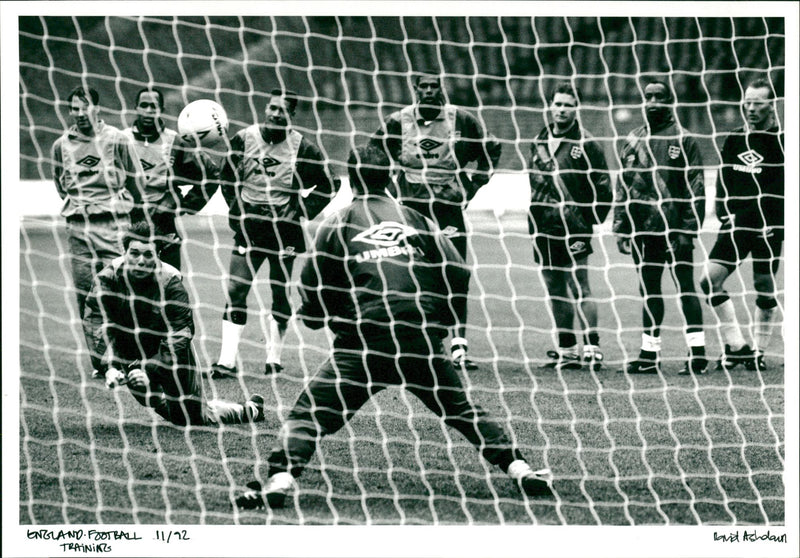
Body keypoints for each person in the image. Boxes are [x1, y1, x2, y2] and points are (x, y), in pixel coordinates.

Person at [233, 145, 553, 511]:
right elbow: (458, 271)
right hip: (419, 340)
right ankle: (520, 468)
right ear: (392, 176)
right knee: (462, 410)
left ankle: (281, 477)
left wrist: (323, 317)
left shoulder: (336, 223)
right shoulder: (416, 218)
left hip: (366, 344)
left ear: (349, 180)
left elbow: (313, 293)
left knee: (309, 412)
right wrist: (440, 319)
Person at [369, 71, 502, 371]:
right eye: (424, 86)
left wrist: (471, 184)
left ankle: (459, 348)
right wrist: (389, 190)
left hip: (448, 210)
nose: (429, 91)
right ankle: (418, 345)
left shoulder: (461, 120)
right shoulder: (397, 121)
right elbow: (371, 154)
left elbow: (491, 149)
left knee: (455, 274)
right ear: (415, 89)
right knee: (411, 276)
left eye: (434, 86)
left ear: (441, 89)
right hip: (411, 212)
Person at [210, 88, 339, 379]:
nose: (275, 114)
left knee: (280, 293)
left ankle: (274, 357)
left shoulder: (302, 148)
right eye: (272, 107)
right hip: (250, 229)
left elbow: (331, 183)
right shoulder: (243, 140)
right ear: (265, 108)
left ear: (291, 115)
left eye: (282, 110)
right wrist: (237, 210)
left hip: (284, 233)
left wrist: (301, 211)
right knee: (236, 290)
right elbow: (226, 178)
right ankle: (226, 362)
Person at [83, 221, 265, 427]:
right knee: (148, 396)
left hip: (172, 352)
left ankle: (249, 410)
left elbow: (180, 333)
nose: (141, 261)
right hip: (130, 350)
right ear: (125, 252)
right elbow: (95, 321)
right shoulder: (108, 278)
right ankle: (154, 393)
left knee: (192, 419)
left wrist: (148, 370)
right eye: (134, 253)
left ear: (158, 254)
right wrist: (109, 367)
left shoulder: (171, 282)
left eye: (148, 254)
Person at [612, 81, 708, 375]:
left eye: (659, 97)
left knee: (685, 289)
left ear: (670, 101)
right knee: (650, 291)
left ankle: (698, 355)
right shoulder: (632, 139)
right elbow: (623, 185)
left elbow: (698, 188)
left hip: (676, 229)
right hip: (643, 229)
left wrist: (688, 230)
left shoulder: (685, 140)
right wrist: (621, 225)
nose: (652, 102)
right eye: (648, 97)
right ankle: (648, 355)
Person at [52, 84, 145, 379]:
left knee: (120, 291)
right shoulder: (60, 145)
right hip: (78, 228)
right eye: (73, 108)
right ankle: (100, 362)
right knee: (86, 296)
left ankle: (127, 357)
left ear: (97, 108)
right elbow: (60, 183)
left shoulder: (117, 139)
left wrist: (136, 219)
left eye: (84, 107)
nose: (78, 114)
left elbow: (135, 180)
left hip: (113, 225)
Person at [700, 78, 784, 372]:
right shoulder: (735, 139)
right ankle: (737, 347)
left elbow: (782, 191)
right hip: (735, 226)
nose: (749, 108)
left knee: (763, 287)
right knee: (709, 280)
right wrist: (722, 212)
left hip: (767, 228)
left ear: (771, 105)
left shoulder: (784, 142)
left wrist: (775, 222)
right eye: (746, 102)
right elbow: (723, 181)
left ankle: (759, 350)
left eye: (757, 103)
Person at [528, 82, 612, 371]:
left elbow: (603, 185)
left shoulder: (586, 143)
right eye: (558, 104)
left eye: (567, 104)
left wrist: (590, 218)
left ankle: (593, 347)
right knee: (554, 286)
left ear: (576, 108)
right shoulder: (537, 141)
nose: (561, 109)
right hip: (543, 225)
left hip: (575, 226)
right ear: (550, 106)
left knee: (580, 286)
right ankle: (567, 350)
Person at [122, 87, 183, 269]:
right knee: (130, 283)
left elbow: (208, 176)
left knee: (170, 281)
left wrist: (179, 200)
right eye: (144, 106)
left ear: (162, 110)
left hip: (163, 222)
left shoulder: (175, 141)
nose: (149, 111)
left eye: (154, 106)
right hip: (130, 221)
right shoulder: (121, 139)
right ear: (136, 108)